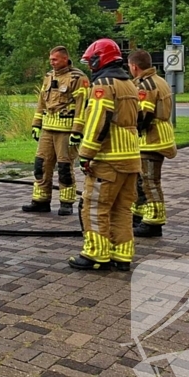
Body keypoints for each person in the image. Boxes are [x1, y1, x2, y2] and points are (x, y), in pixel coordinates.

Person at [69, 38, 140, 271]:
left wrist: (86, 153)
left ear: (101, 59)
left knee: (95, 206)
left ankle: (96, 254)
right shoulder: (129, 83)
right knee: (122, 208)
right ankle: (122, 255)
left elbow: (99, 120)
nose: (90, 66)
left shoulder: (104, 85)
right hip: (131, 157)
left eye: (92, 61)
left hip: (108, 159)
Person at [23, 46, 89, 216]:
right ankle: (40, 200)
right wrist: (36, 124)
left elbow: (83, 107)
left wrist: (77, 131)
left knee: (64, 167)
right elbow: (41, 102)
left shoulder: (78, 78)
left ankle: (66, 203)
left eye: (55, 59)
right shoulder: (48, 77)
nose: (51, 62)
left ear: (65, 59)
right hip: (47, 129)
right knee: (41, 165)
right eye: (50, 59)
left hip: (66, 131)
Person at [127, 49, 176, 237]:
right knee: (140, 181)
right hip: (156, 138)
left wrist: (130, 129)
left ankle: (154, 221)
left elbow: (143, 115)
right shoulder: (159, 80)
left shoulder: (146, 85)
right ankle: (140, 214)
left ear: (134, 66)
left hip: (151, 140)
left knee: (149, 181)